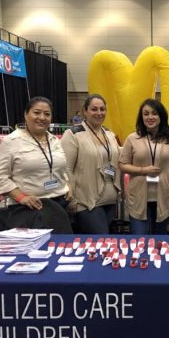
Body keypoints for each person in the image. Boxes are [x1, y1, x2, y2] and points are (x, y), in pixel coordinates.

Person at [0, 97, 72, 232]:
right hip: (29, 209)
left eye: (47, 114)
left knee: (61, 248)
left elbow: (60, 168)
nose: (42, 117)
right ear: (26, 114)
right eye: (37, 112)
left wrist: (68, 184)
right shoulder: (11, 141)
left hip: (59, 205)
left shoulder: (55, 141)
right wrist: (21, 197)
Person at [61, 94, 122, 234]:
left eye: (102, 109)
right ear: (85, 111)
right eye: (94, 109)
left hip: (109, 199)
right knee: (101, 239)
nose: (99, 113)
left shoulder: (109, 134)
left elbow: (118, 155)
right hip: (86, 201)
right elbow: (66, 168)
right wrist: (71, 198)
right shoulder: (73, 134)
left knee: (101, 243)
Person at [119, 99, 169, 235]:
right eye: (146, 114)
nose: (150, 117)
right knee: (139, 241)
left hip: (164, 196)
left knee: (160, 242)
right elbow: (122, 165)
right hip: (138, 197)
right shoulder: (132, 138)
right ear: (141, 117)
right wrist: (143, 170)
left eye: (154, 113)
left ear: (161, 116)